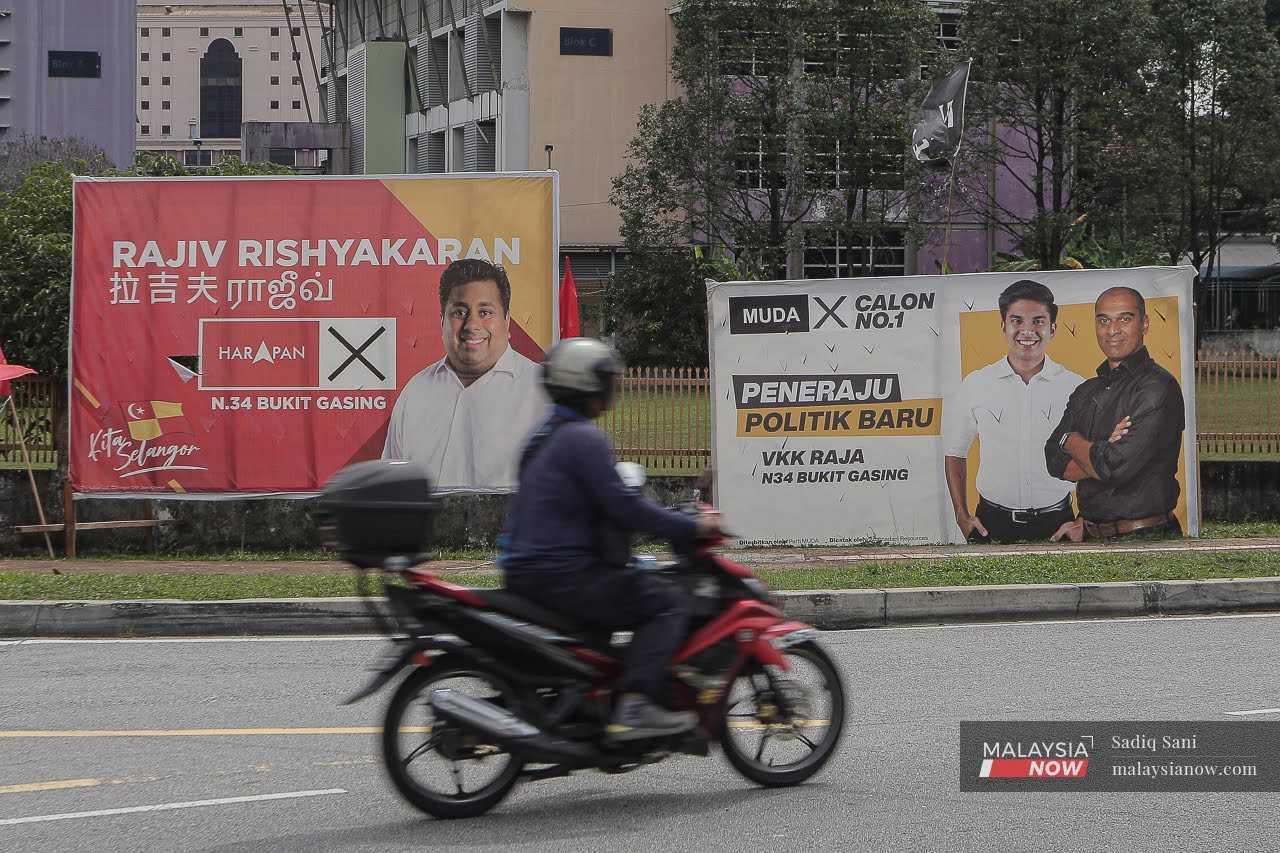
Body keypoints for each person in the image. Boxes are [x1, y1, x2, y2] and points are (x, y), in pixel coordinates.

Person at [500, 338, 723, 741]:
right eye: (607, 381)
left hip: (530, 569)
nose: (613, 390)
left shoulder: (547, 435)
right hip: (564, 575)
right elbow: (626, 509)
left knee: (634, 584)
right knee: (666, 603)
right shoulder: (582, 439)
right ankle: (635, 707)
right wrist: (692, 527)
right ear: (588, 386)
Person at [382, 258, 549, 490]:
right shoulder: (415, 392)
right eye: (460, 312)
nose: (472, 324)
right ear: (442, 320)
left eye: (485, 312)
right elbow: (391, 489)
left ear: (507, 320)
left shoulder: (542, 392)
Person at [942, 280, 1085, 542]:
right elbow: (955, 452)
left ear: (1053, 328)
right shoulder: (976, 383)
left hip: (1058, 523)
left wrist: (1085, 520)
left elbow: (1097, 459)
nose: (1027, 330)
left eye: (1038, 321)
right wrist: (961, 515)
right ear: (1003, 326)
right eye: (1016, 320)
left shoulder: (1075, 387)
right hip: (990, 524)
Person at [1045, 286, 1186, 540]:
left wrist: (1073, 441)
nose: (1112, 330)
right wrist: (1101, 449)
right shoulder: (1086, 391)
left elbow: (1113, 467)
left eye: (1125, 318)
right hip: (1089, 536)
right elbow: (1053, 458)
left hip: (1147, 538)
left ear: (1144, 324)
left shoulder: (1158, 387)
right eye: (1103, 320)